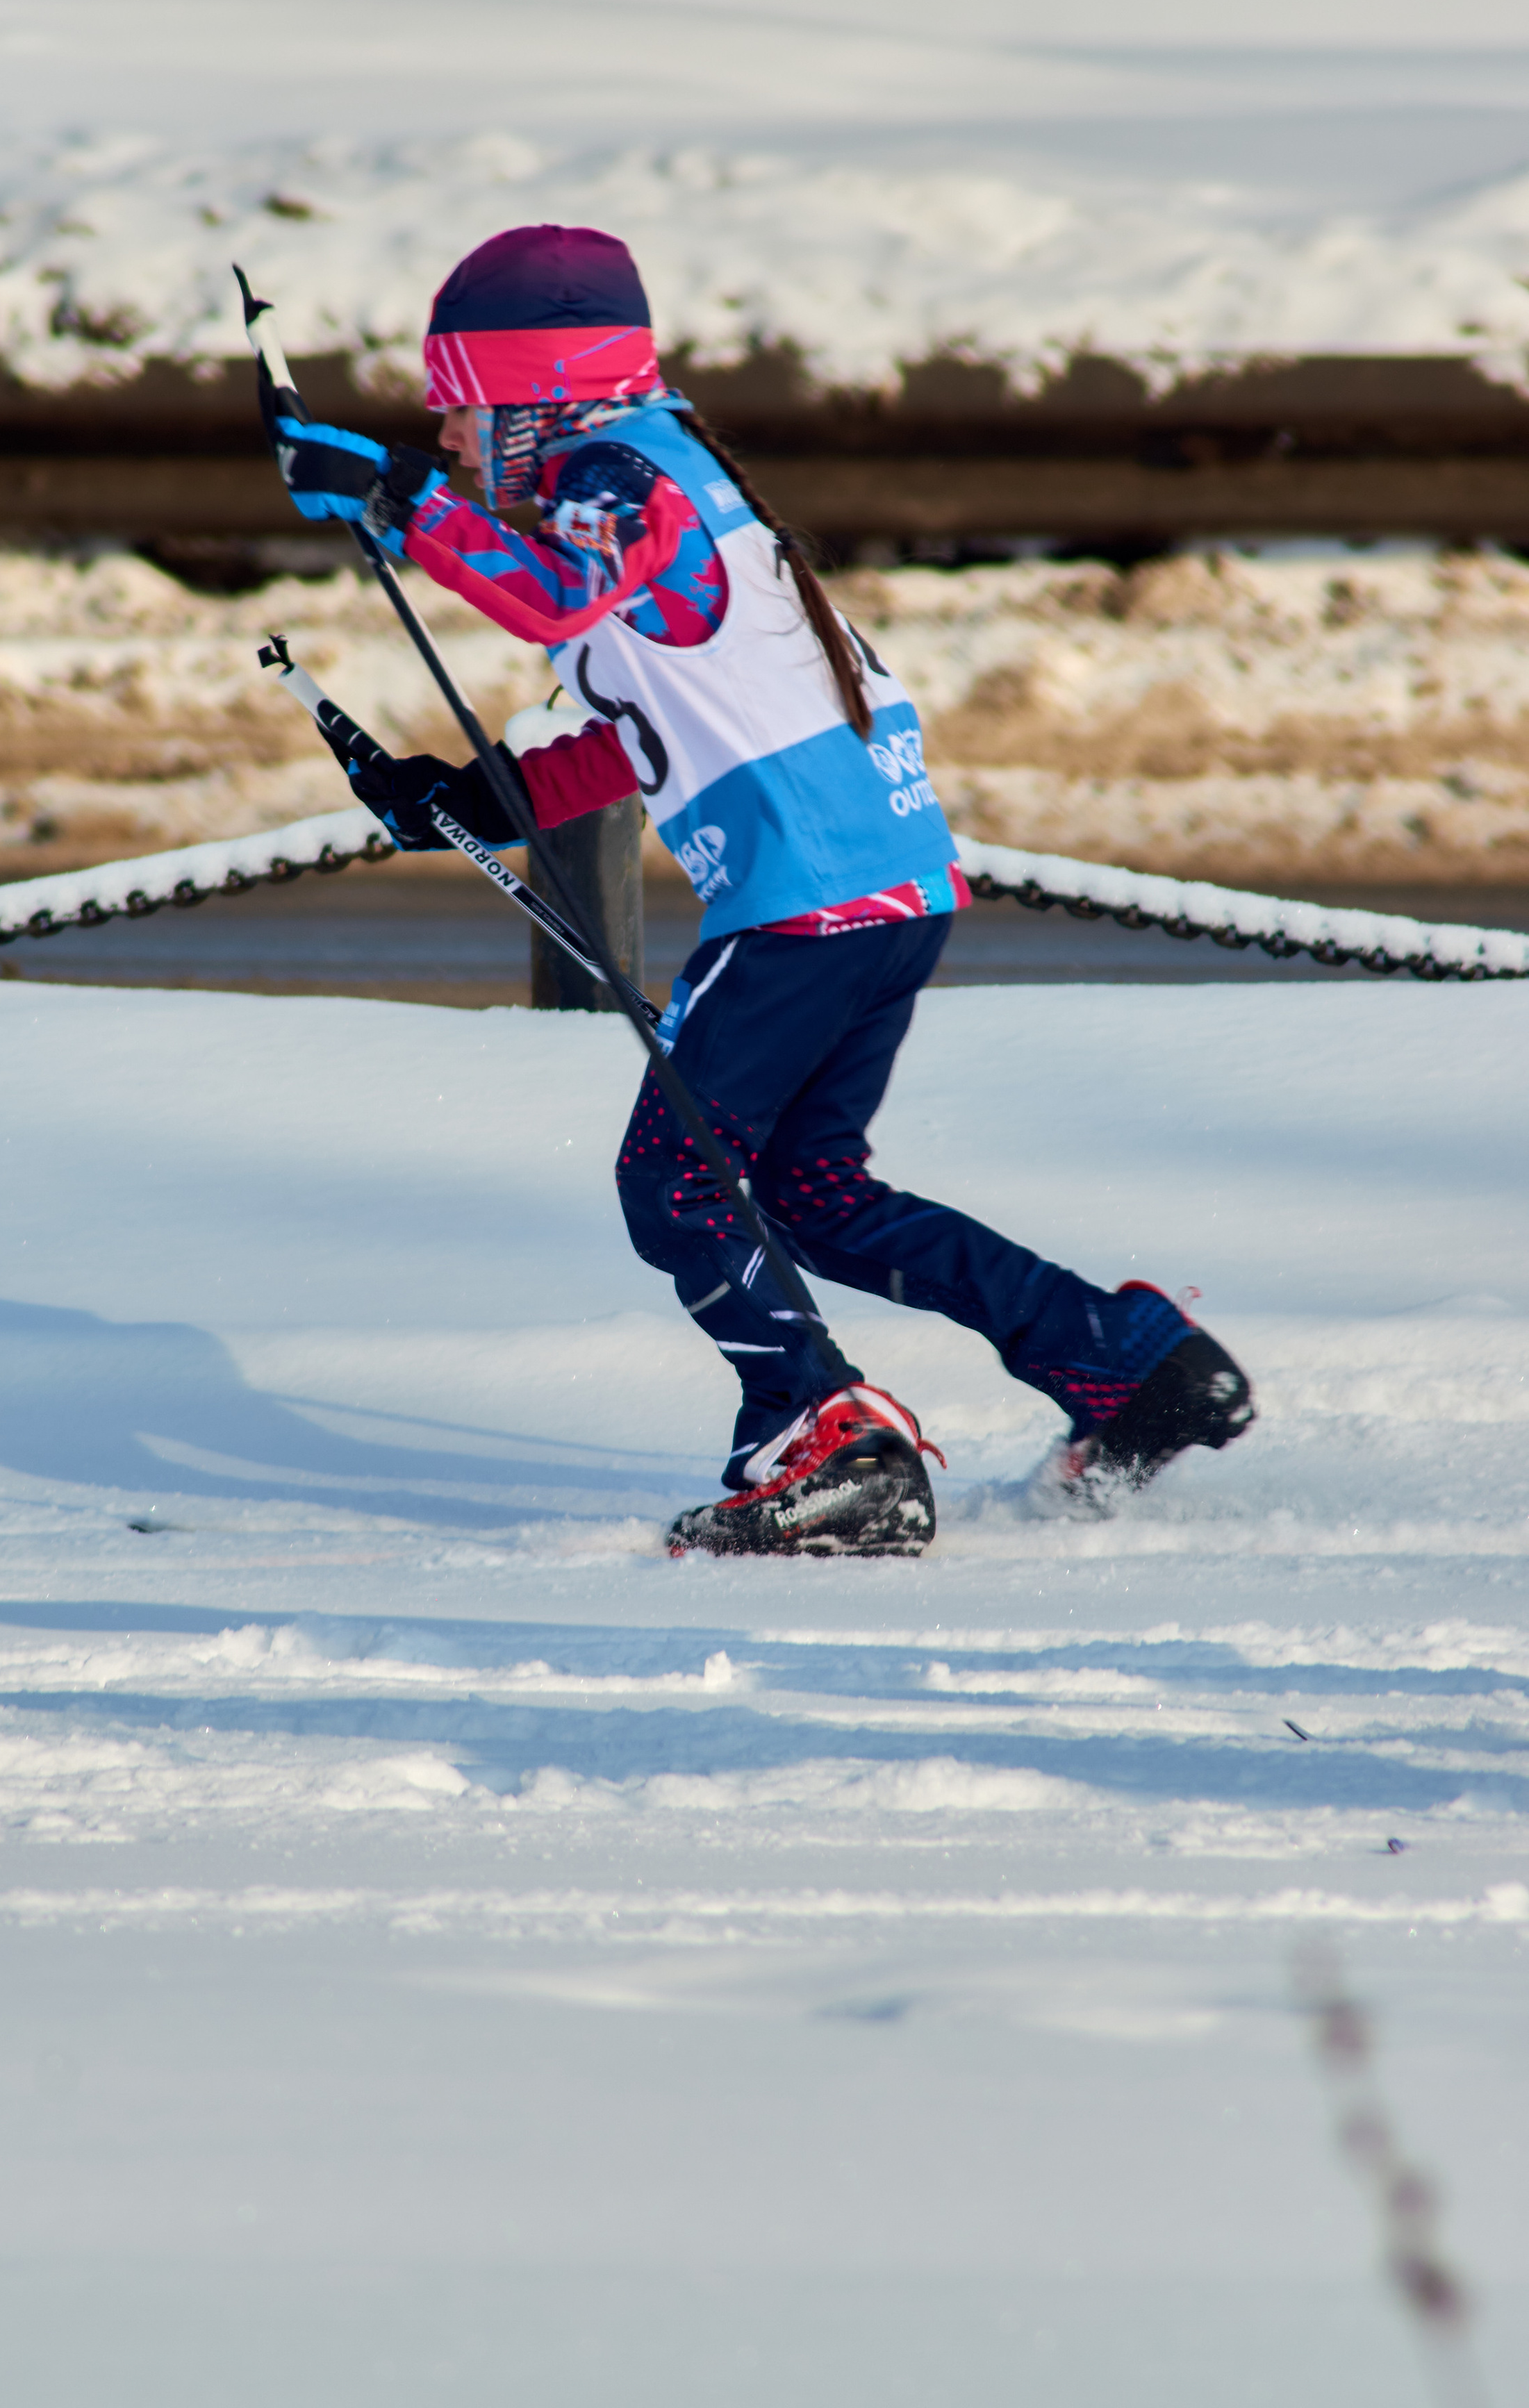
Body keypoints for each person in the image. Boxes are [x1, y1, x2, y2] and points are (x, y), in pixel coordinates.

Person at [260, 224, 1255, 1554]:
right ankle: (1123, 1362)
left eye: (461, 406)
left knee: (675, 1185)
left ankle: (826, 1436)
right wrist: (481, 799)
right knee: (811, 1193)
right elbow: (659, 730)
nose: (447, 435)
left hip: (801, 901)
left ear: (535, 396)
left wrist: (394, 497)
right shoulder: (670, 476)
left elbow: (552, 601)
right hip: (888, 887)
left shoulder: (617, 472)